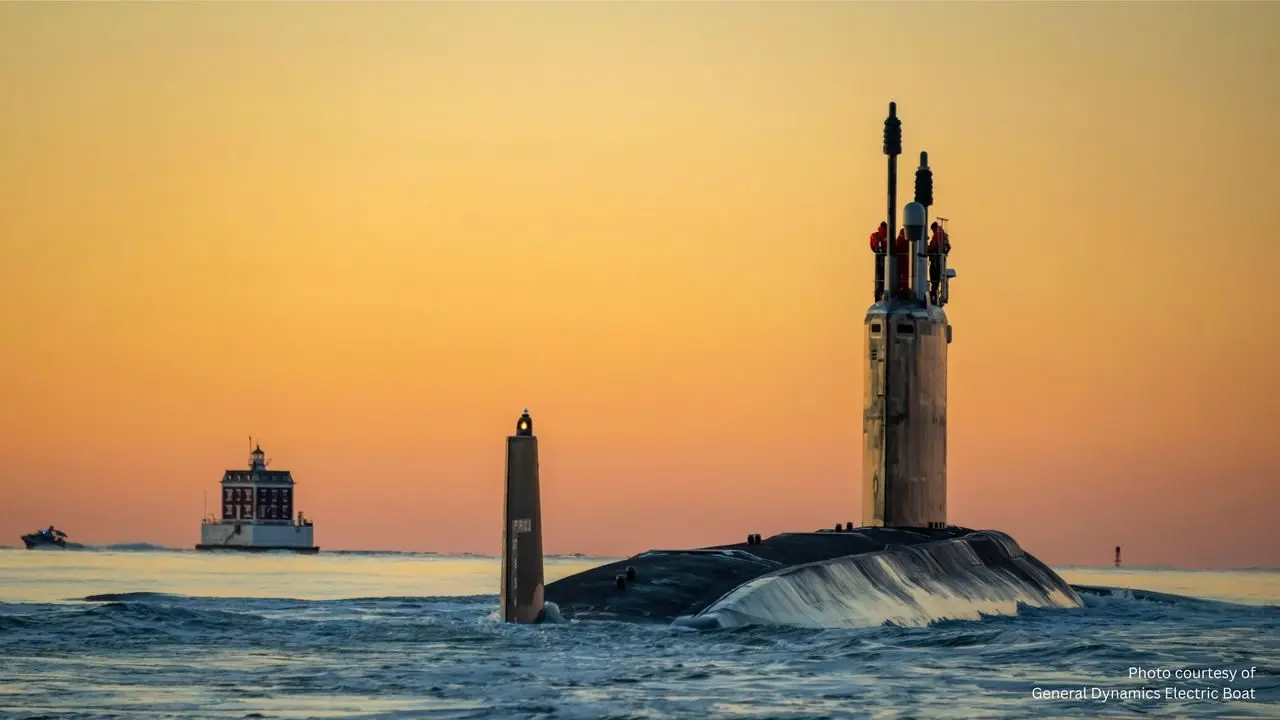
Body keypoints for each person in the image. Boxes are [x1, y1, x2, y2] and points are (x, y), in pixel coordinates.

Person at [928, 222, 951, 303]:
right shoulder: (944, 235)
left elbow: (932, 247)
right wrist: (945, 254)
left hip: (935, 261)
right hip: (941, 261)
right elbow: (949, 247)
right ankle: (934, 293)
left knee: (933, 277)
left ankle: (933, 294)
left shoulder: (936, 235)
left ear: (934, 228)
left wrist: (926, 249)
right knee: (937, 279)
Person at [892, 228, 911, 296]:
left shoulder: (900, 239)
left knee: (903, 275)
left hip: (903, 260)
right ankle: (904, 289)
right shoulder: (904, 239)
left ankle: (903, 288)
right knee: (905, 274)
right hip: (905, 260)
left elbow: (897, 247)